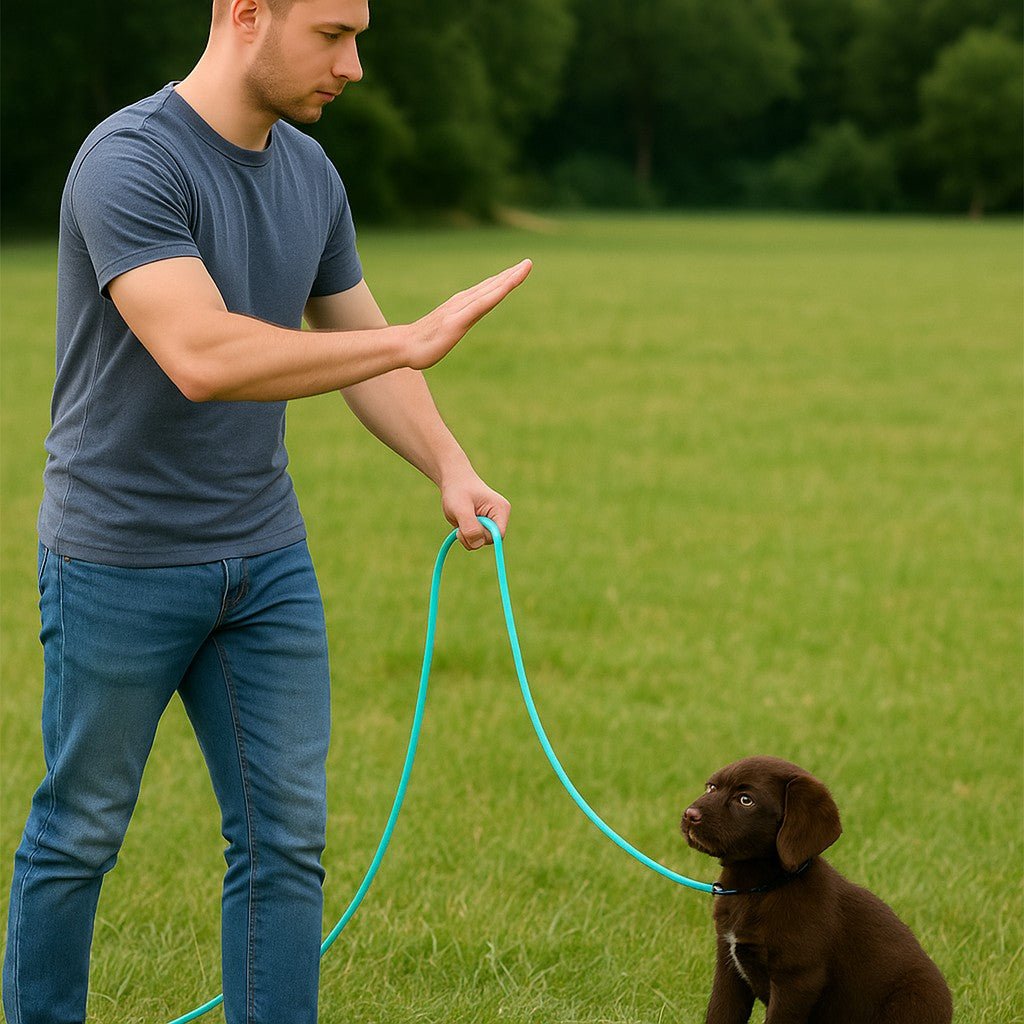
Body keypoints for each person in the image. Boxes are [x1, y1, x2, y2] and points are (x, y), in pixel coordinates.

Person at [1, 0, 531, 1021]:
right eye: (333, 34)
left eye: (357, 34)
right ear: (246, 14)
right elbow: (204, 354)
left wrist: (448, 463)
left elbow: (357, 341)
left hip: (265, 563)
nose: (356, 63)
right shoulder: (129, 160)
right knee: (81, 831)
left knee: (285, 840)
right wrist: (409, 341)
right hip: (119, 559)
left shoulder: (309, 174)